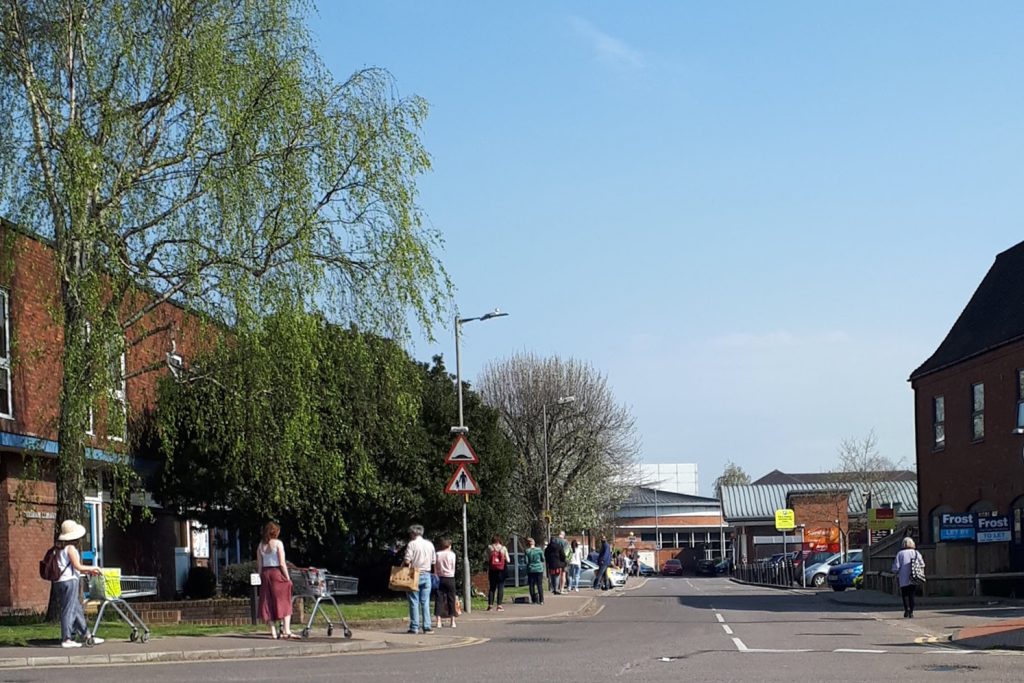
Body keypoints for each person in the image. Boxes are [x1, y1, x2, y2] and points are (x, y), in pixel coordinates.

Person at [51, 519, 104, 648]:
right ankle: (67, 638)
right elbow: (78, 566)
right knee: (68, 610)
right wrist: (94, 568)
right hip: (70, 581)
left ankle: (87, 635)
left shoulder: (59, 549)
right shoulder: (70, 549)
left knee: (76, 608)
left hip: (60, 582)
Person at [257, 521, 296, 639]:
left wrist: (261, 578)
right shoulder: (278, 543)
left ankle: (273, 631)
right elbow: (282, 563)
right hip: (276, 573)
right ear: (275, 532)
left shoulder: (260, 545)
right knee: (284, 600)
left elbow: (259, 565)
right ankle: (287, 630)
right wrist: (288, 579)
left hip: (265, 573)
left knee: (267, 602)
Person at [403, 524, 436, 633]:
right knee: (425, 602)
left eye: (410, 533)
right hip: (427, 574)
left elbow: (407, 561)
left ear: (413, 533)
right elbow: (433, 561)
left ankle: (414, 627)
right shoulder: (430, 544)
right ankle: (427, 626)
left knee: (414, 601)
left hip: (414, 574)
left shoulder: (412, 544)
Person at [892, 537, 924, 618]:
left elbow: (896, 566)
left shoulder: (900, 553)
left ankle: (906, 610)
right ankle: (912, 612)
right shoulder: (916, 553)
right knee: (912, 594)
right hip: (914, 576)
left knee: (905, 594)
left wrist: (895, 572)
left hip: (903, 577)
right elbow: (922, 564)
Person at [434, 538, 457, 628]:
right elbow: (453, 566)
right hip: (450, 577)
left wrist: (436, 574)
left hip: (440, 577)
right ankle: (452, 621)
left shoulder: (437, 554)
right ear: (449, 546)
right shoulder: (452, 555)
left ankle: (438, 621)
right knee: (451, 599)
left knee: (439, 599)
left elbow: (435, 567)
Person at [485, 535, 510, 611]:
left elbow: (487, 558)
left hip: (492, 570)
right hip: (502, 570)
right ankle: (499, 605)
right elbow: (508, 560)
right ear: (500, 540)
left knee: (492, 588)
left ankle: (490, 605)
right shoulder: (503, 548)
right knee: (500, 587)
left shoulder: (490, 547)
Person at [524, 537, 545, 605]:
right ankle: (541, 600)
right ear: (534, 542)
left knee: (531, 585)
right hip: (539, 568)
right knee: (539, 585)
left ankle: (533, 600)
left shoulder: (527, 551)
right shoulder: (539, 550)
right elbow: (543, 559)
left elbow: (526, 561)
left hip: (531, 569)